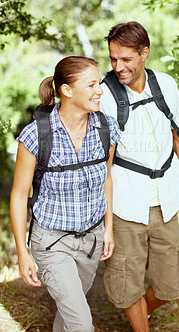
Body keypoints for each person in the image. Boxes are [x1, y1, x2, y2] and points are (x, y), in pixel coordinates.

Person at [100, 21, 179, 332]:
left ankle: (141, 311)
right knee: (125, 280)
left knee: (170, 283)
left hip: (167, 197)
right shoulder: (104, 95)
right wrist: (105, 217)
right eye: (113, 59)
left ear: (144, 53)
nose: (119, 67)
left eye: (126, 59)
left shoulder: (166, 85)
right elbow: (104, 161)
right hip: (125, 201)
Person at [10, 56, 121, 332]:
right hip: (51, 243)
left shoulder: (106, 128)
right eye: (92, 84)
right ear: (67, 90)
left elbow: (106, 179)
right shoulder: (36, 135)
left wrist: (108, 228)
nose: (100, 91)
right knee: (82, 323)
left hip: (91, 241)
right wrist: (22, 253)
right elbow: (19, 196)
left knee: (71, 313)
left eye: (99, 83)